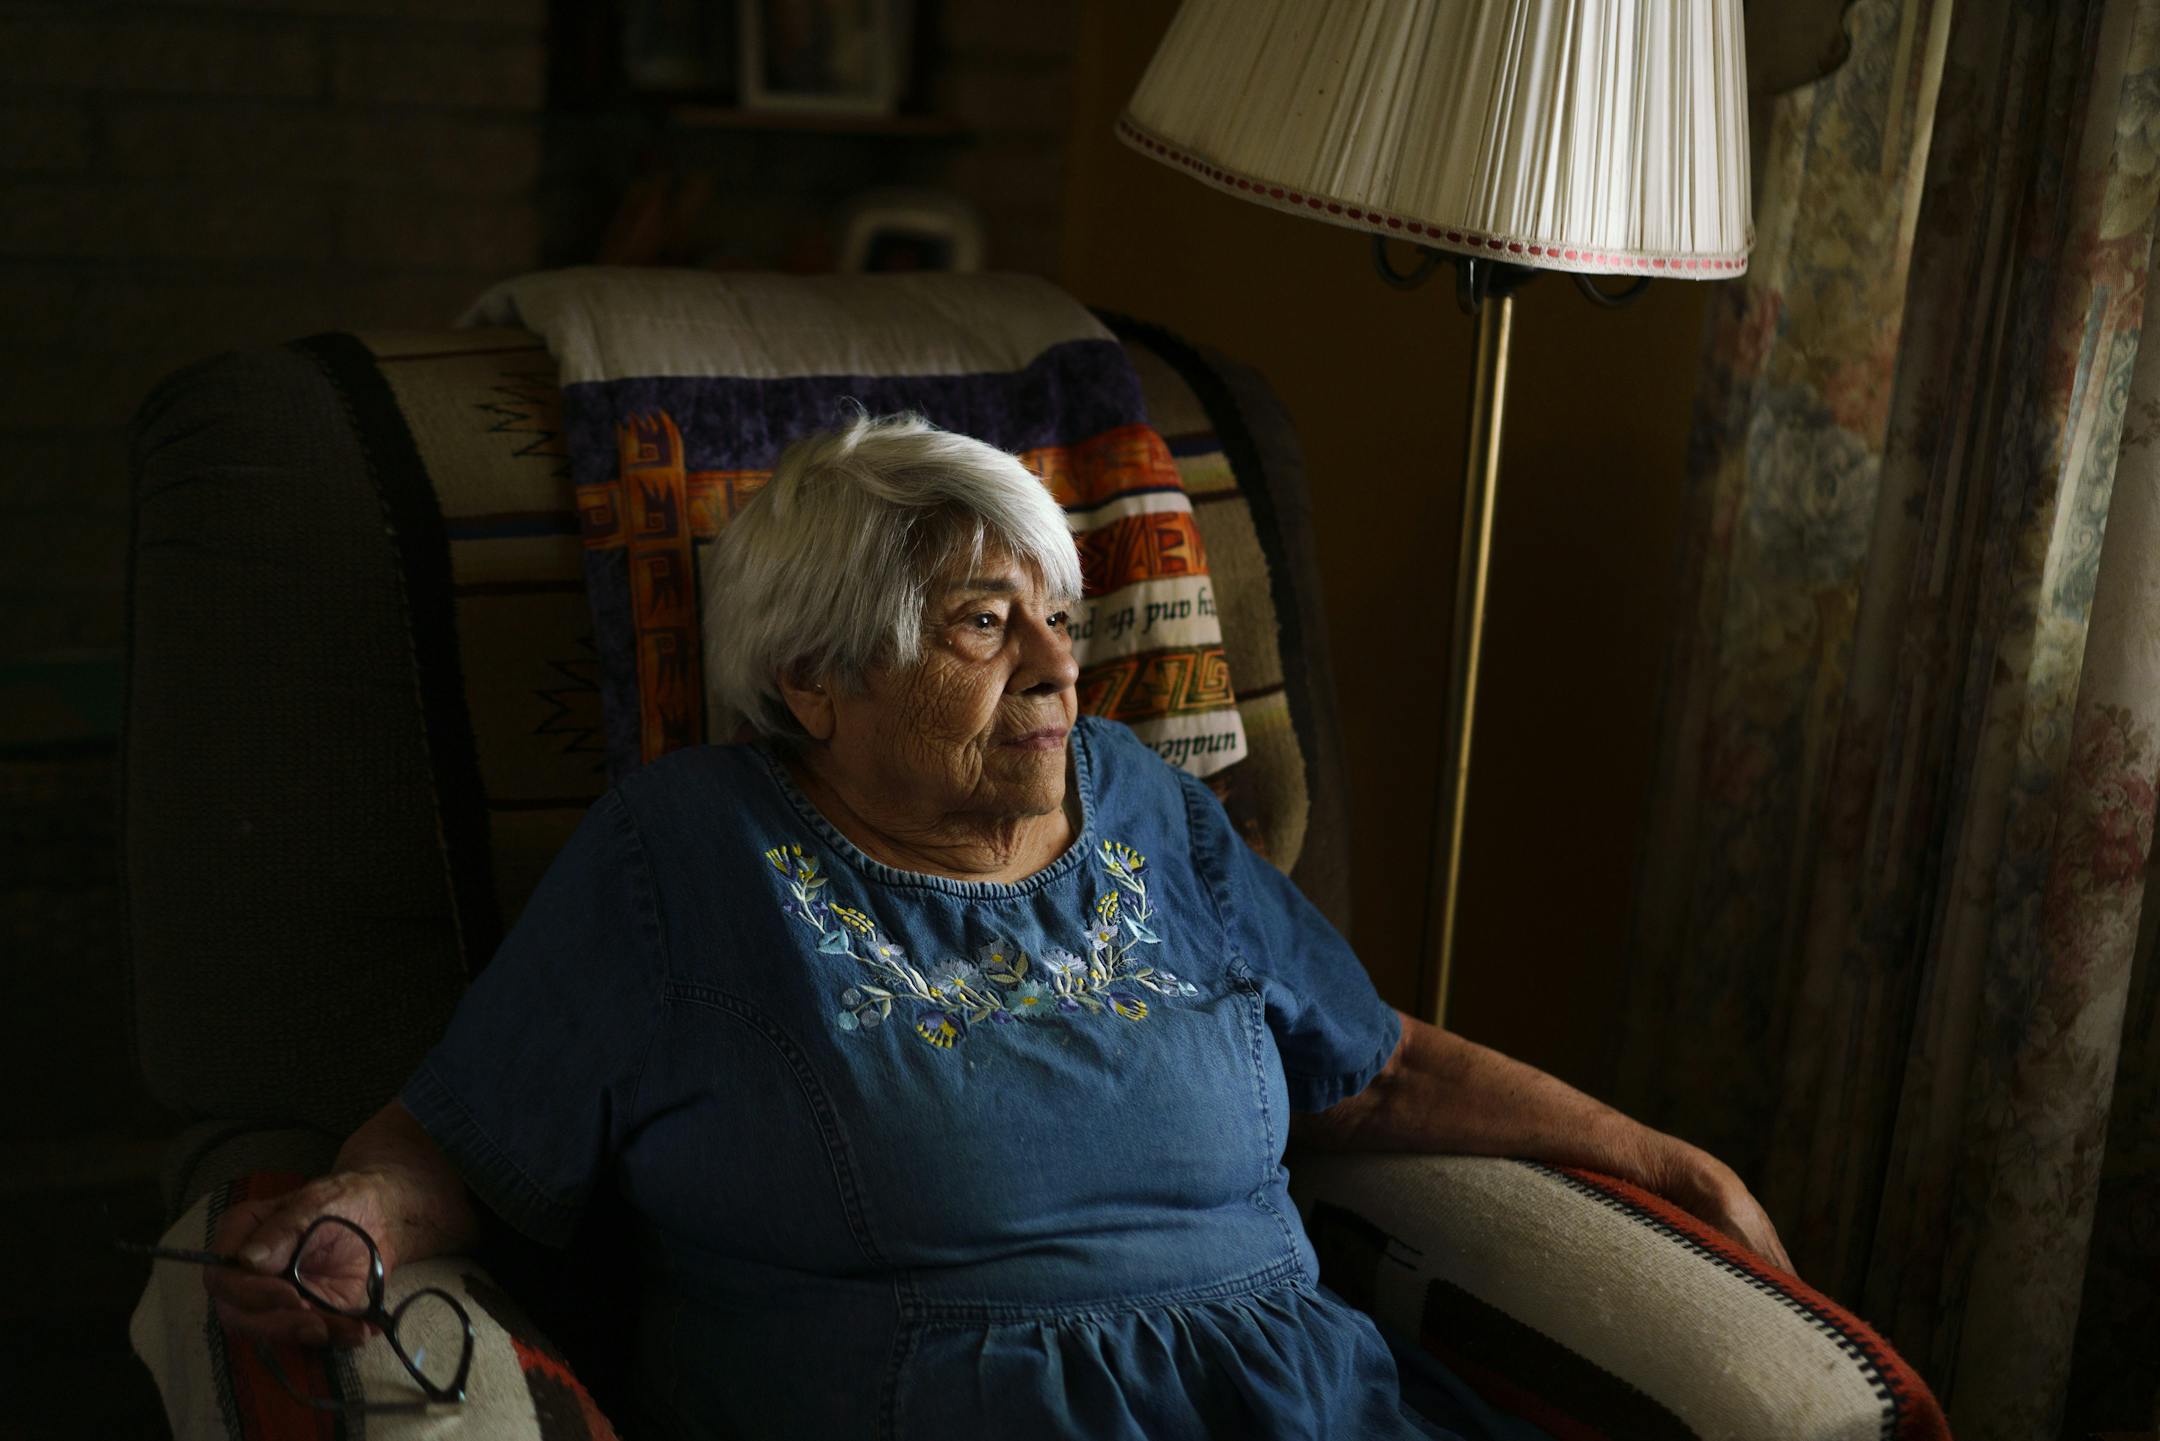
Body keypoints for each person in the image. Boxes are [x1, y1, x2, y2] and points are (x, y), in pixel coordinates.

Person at [204, 411, 1790, 1439]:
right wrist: (356, 1212)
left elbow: (1369, 1065)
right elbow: (473, 1132)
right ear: (809, 678)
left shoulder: (1148, 803)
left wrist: (1662, 1157)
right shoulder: (686, 851)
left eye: (1059, 615)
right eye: (983, 621)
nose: (1055, 662)